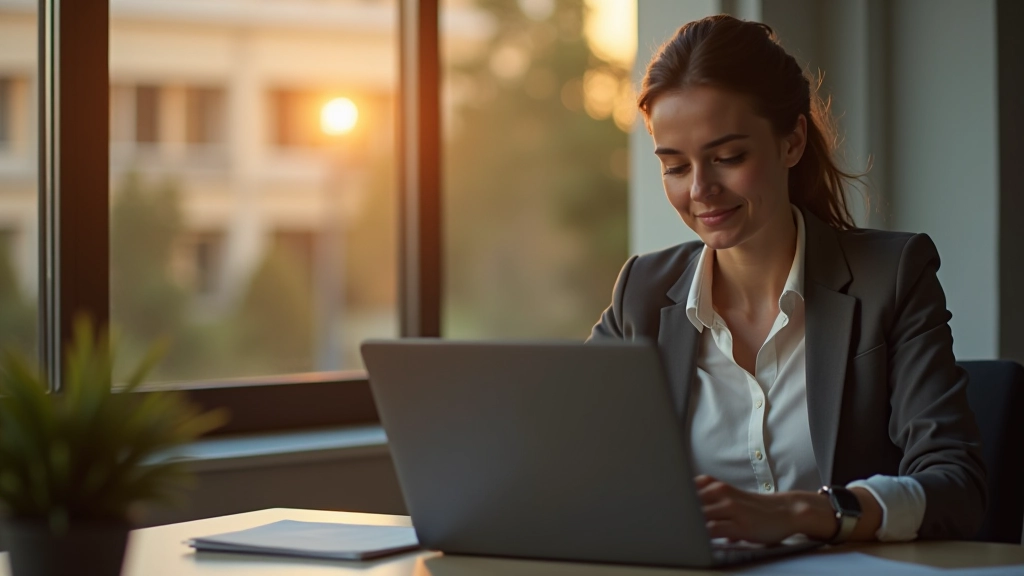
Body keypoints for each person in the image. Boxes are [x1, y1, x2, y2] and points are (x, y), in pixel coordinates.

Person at [589, 14, 986, 544]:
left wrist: (804, 514)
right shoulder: (641, 290)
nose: (701, 189)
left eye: (728, 157)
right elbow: (573, 462)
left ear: (792, 141)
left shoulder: (890, 277)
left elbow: (957, 488)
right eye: (676, 167)